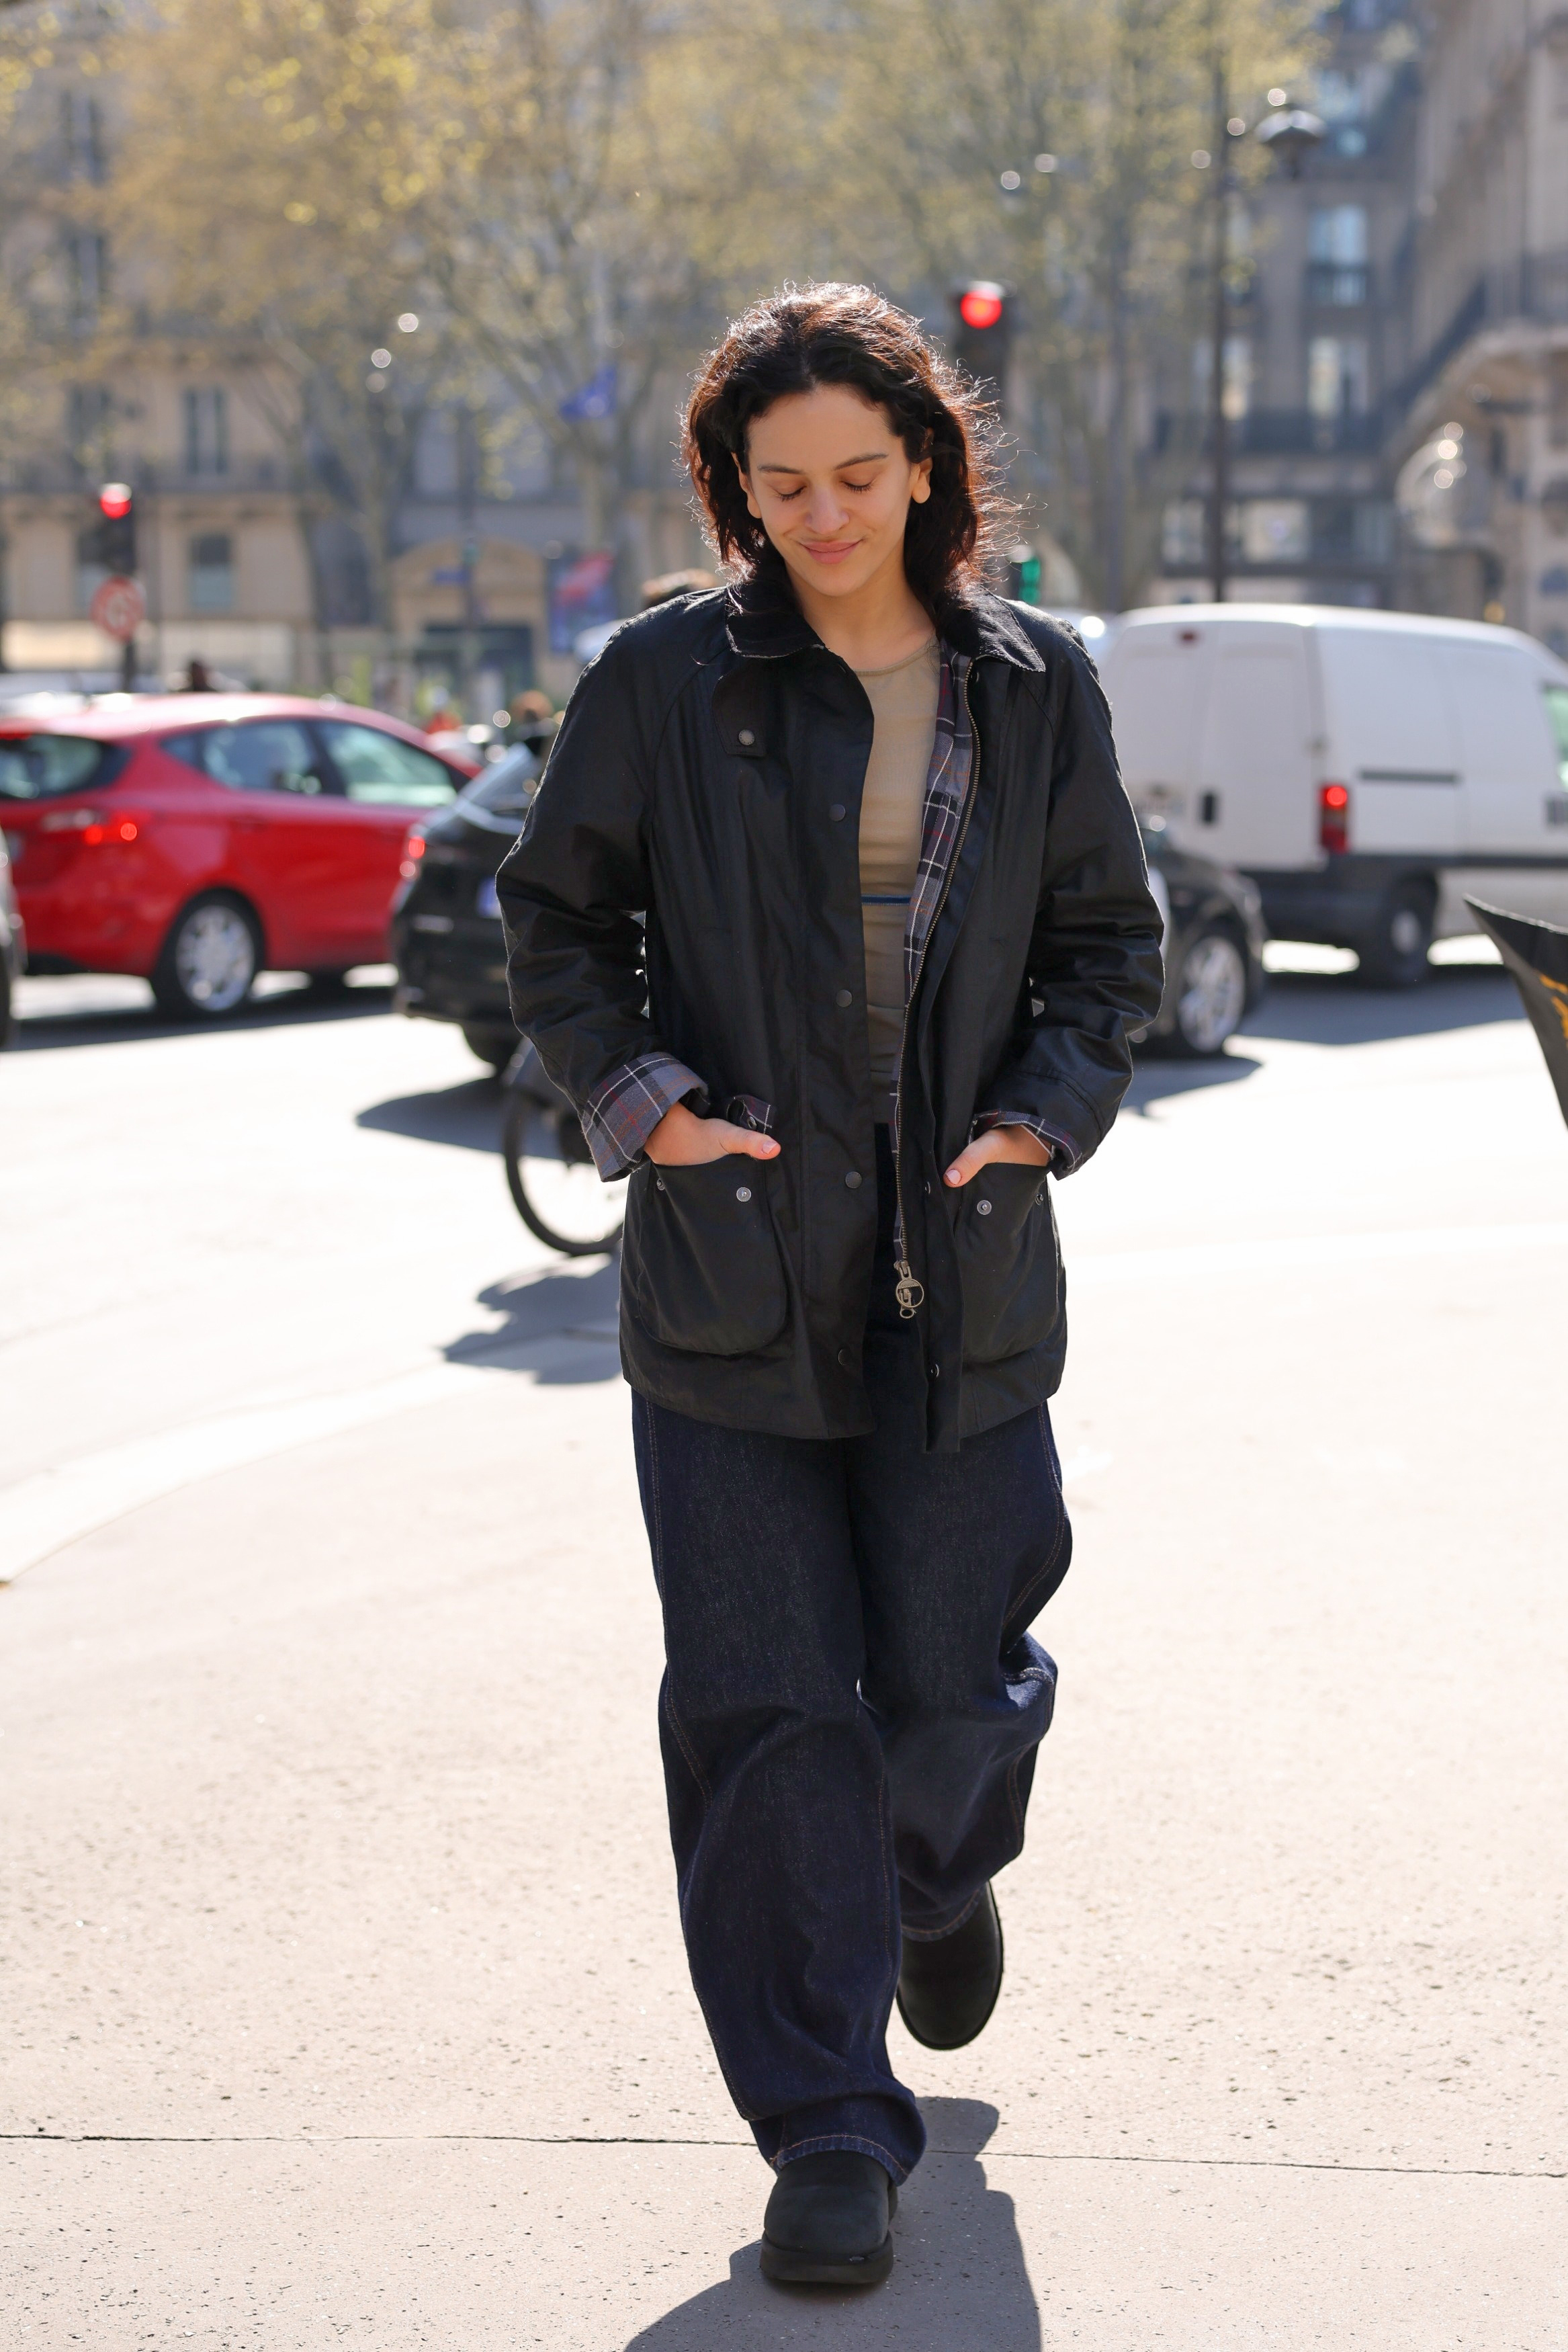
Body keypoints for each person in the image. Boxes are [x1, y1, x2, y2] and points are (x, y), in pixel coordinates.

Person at [496, 284, 1163, 2291]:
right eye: (779, 483)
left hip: (957, 1275)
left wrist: (1042, 1115)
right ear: (736, 487)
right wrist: (645, 1105)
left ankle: (937, 1871)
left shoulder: (1033, 686)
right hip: (729, 1279)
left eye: (859, 473)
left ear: (931, 463)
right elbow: (557, 928)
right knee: (766, 1702)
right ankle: (826, 2125)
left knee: (953, 1685)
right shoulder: (661, 682)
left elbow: (1105, 949)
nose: (823, 513)